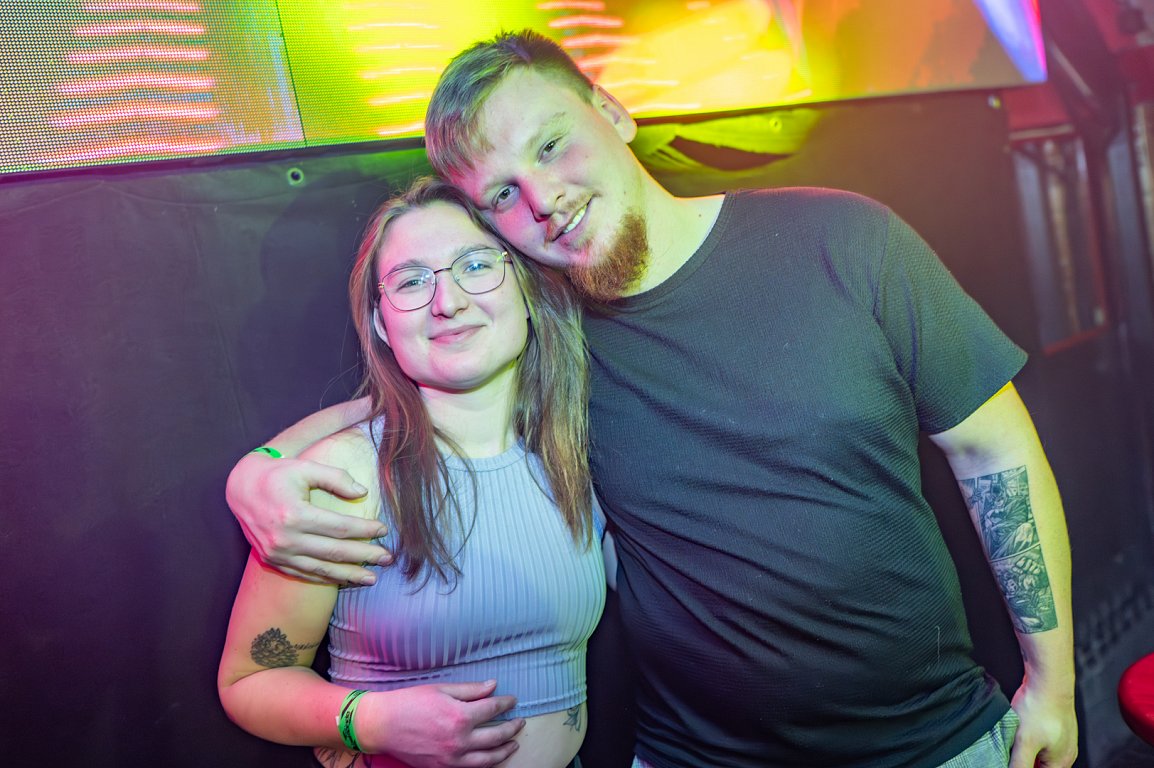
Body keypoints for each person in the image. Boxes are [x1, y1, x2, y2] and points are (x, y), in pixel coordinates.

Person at [225, 30, 1078, 768]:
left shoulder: (845, 241)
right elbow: (409, 394)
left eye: (551, 145)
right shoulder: (550, 337)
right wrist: (259, 470)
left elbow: (993, 450)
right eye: (501, 195)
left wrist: (1052, 682)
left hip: (934, 741)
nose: (543, 198)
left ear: (614, 111)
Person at [218, 176, 611, 768]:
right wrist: (370, 722)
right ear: (381, 324)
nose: (447, 301)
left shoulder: (572, 452)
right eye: (411, 281)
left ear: (526, 288)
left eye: (475, 265)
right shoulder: (345, 477)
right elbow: (249, 681)